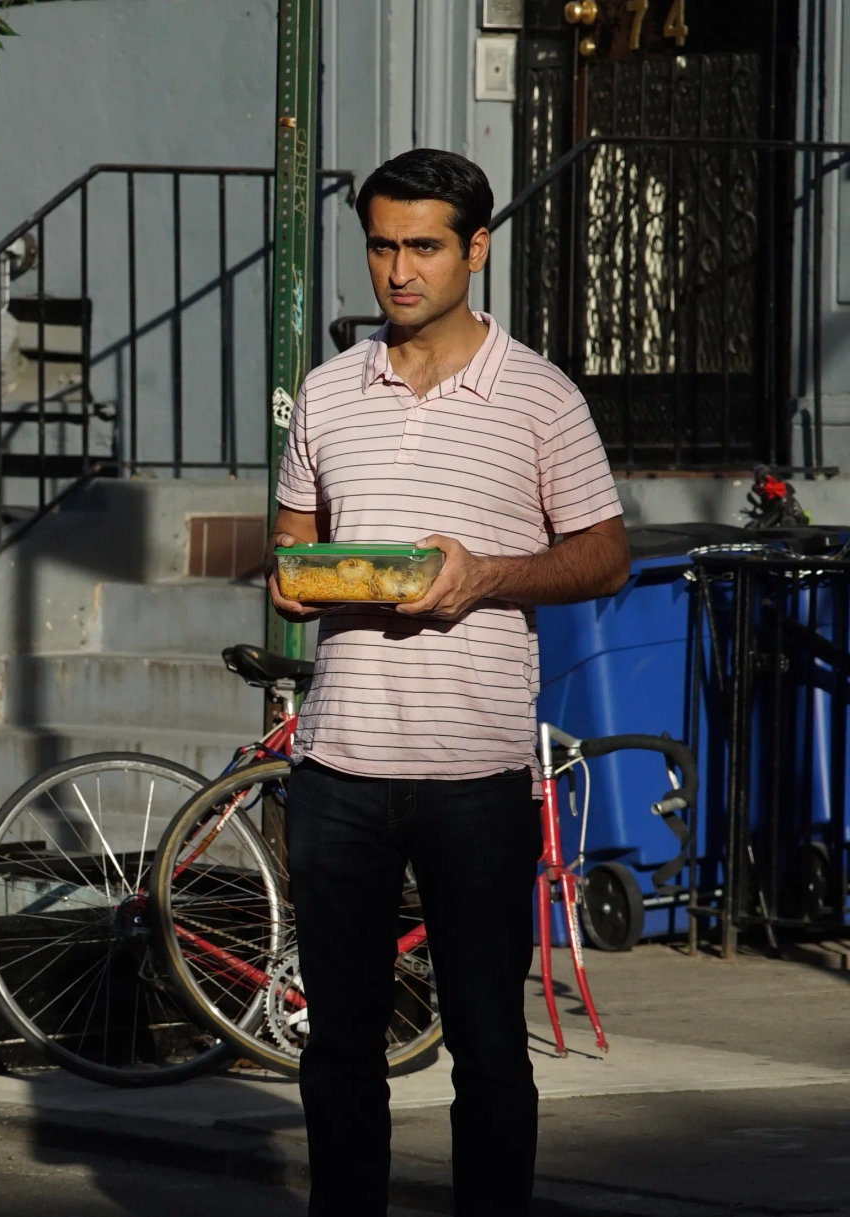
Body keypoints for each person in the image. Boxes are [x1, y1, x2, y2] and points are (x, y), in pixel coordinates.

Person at [269, 148, 630, 1216]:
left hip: (475, 774)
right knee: (338, 1044)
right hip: (338, 764)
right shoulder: (329, 392)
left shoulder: (538, 396)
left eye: (423, 245)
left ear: (475, 248)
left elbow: (605, 555)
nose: (398, 269)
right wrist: (296, 583)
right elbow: (293, 545)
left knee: (485, 1041)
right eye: (382, 244)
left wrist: (485, 577)